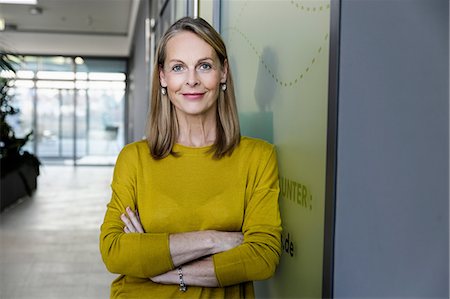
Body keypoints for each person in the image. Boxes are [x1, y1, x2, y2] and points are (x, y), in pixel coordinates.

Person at [99, 16, 282, 299]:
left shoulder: (258, 157)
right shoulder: (134, 159)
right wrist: (215, 240)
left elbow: (262, 257)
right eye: (178, 67)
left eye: (205, 66)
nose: (192, 80)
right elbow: (114, 252)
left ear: (223, 73)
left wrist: (155, 261)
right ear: (163, 77)